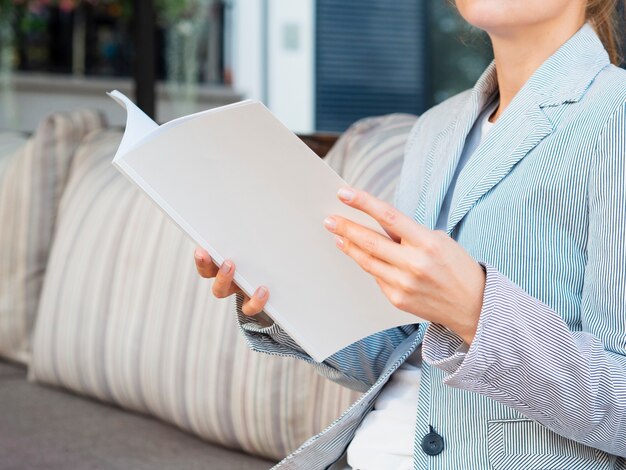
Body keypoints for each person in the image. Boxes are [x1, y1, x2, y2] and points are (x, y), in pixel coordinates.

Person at [194, 0, 626, 468]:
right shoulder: (436, 130)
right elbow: (405, 356)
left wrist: (477, 313)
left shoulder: (615, 119)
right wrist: (281, 291)